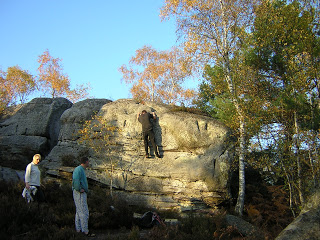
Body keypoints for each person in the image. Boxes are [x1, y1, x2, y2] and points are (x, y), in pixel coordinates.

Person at [72, 157, 95, 237]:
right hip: (80, 193)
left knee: (79, 212)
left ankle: (78, 230)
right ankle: (85, 231)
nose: (88, 163)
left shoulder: (80, 169)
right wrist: (79, 189)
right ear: (86, 162)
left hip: (80, 192)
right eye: (88, 162)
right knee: (84, 212)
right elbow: (76, 180)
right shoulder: (78, 169)